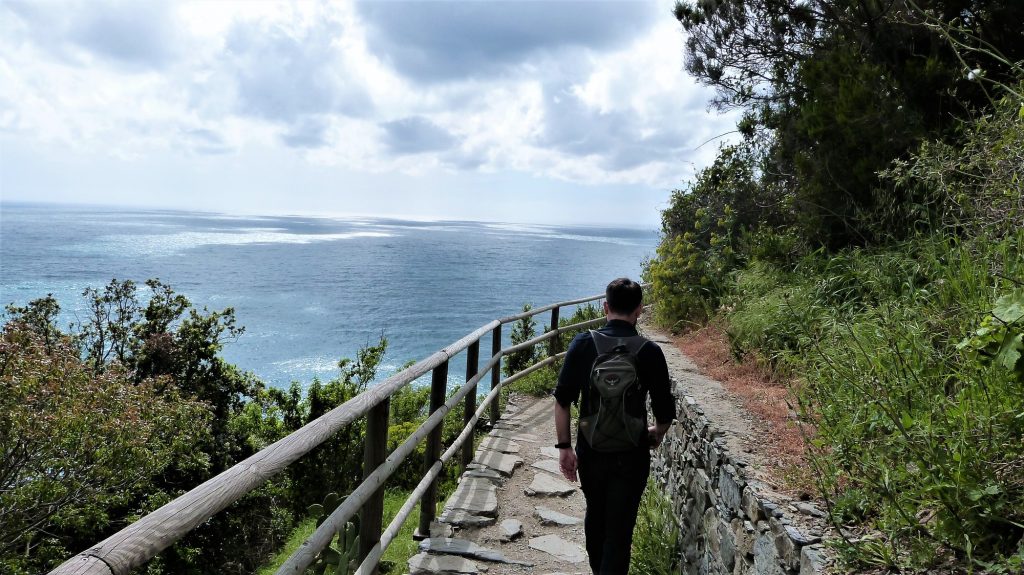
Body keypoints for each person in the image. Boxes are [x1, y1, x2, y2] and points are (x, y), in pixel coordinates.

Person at [552, 278, 675, 574]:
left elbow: (562, 401)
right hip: (632, 453)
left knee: (596, 519)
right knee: (620, 531)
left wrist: (565, 448)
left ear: (605, 307)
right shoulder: (650, 351)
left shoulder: (583, 344)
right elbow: (664, 408)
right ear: (640, 310)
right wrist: (656, 433)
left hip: (592, 452)